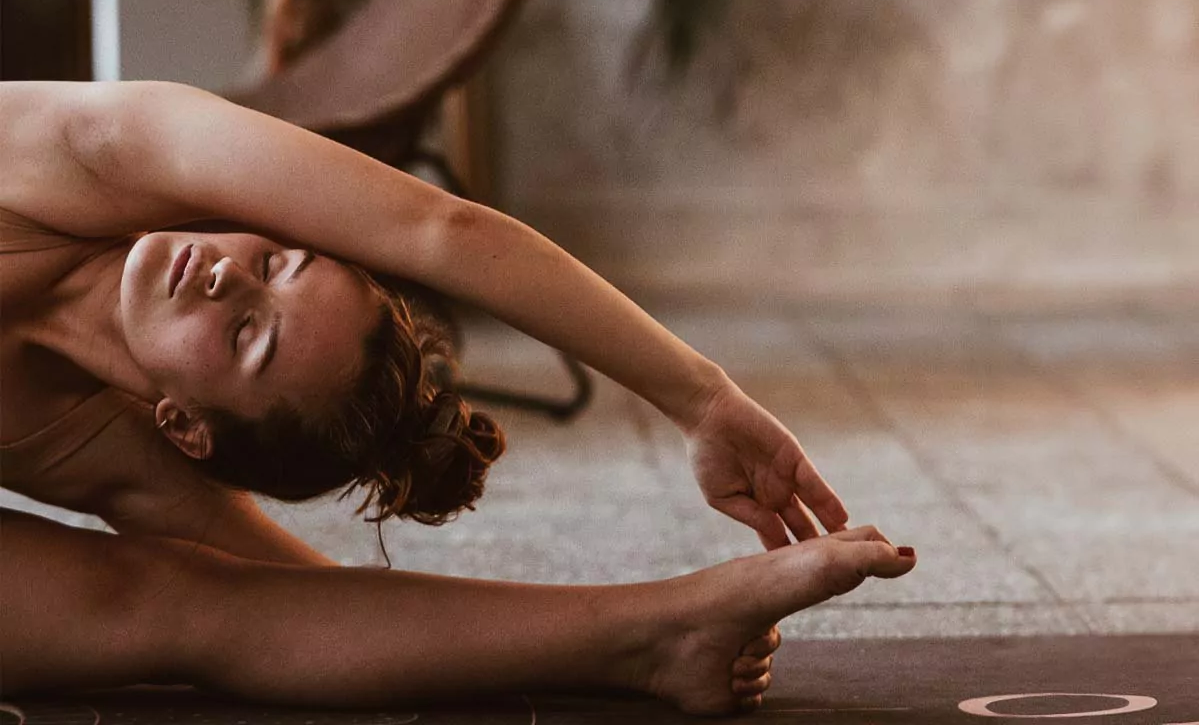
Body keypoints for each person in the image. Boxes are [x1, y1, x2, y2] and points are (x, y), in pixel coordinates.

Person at [0, 80, 917, 716]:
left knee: (180, 608)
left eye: (248, 336)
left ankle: (655, 638)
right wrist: (702, 400)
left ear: (186, 427)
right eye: (279, 259)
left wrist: (670, 614)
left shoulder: (129, 466)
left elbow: (325, 619)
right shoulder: (93, 146)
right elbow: (434, 227)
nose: (225, 274)